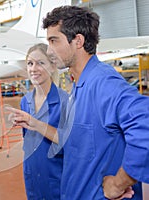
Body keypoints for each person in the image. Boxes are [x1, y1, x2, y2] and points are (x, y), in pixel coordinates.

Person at [9, 5, 149, 200]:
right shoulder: (78, 88)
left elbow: (145, 125)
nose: (49, 51)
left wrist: (118, 183)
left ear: (78, 41)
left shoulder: (102, 83)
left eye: (53, 41)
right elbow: (75, 143)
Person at [10, 43, 68, 199]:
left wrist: (36, 124)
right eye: (30, 63)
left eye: (40, 63)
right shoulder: (25, 101)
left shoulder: (65, 102)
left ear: (53, 66)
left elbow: (68, 143)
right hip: (32, 174)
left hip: (56, 175)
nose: (33, 69)